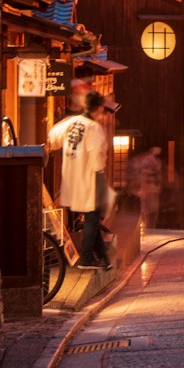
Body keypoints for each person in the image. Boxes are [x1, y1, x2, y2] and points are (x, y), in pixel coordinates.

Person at [47, 91, 111, 270]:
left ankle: (103, 259)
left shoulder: (71, 122)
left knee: (93, 218)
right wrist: (101, 181)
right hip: (89, 177)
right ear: (98, 108)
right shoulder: (93, 127)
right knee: (92, 218)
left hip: (70, 177)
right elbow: (96, 157)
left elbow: (53, 137)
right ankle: (86, 258)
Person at [126, 145, 162, 229]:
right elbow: (144, 174)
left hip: (150, 187)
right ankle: (148, 227)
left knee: (150, 209)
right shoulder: (147, 160)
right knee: (148, 210)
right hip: (146, 186)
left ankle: (148, 227)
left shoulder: (153, 160)